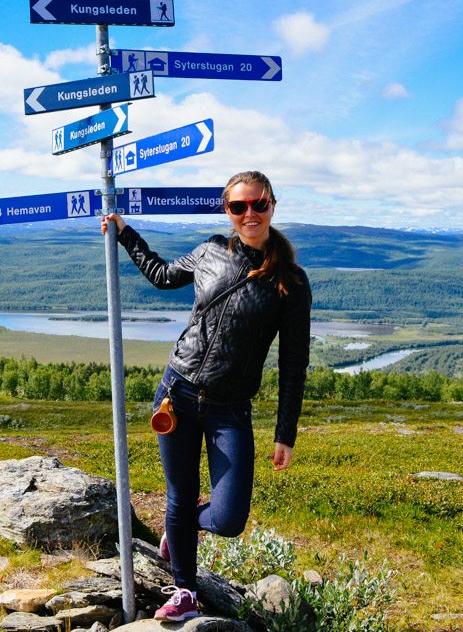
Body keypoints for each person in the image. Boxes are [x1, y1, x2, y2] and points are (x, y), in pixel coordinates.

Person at [101, 170, 311, 622]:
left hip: (229, 409)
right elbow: (159, 274)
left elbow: (294, 363)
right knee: (178, 496)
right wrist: (124, 233)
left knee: (230, 517)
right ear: (227, 210)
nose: (249, 213)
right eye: (239, 206)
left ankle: (180, 530)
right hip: (175, 393)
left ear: (273, 204)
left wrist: (285, 432)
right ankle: (185, 591)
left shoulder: (291, 281)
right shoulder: (211, 251)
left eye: (258, 204)